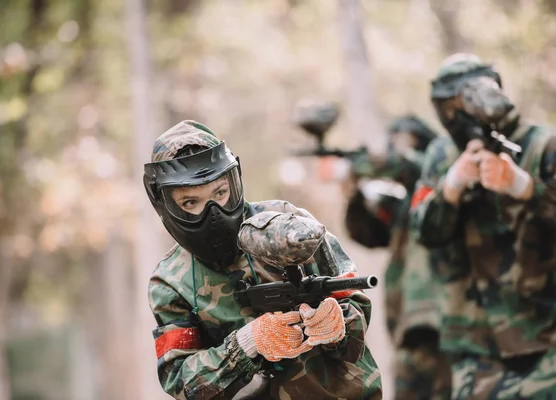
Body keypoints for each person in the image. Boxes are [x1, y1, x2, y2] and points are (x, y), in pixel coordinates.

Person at [143, 120, 382, 400]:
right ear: (165, 204)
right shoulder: (171, 281)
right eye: (190, 203)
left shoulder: (289, 225)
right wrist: (247, 342)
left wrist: (337, 323)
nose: (213, 212)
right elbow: (180, 381)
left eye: (220, 193)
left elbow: (354, 303)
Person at [411, 53, 556, 399]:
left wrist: (524, 187)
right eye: (445, 107)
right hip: (472, 342)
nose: (454, 116)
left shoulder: (542, 145)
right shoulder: (441, 155)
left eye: (460, 103)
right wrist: (450, 188)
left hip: (545, 333)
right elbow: (423, 230)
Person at [340, 115, 451, 400]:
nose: (395, 149)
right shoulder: (406, 205)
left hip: (446, 322)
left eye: (404, 142)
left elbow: (404, 164)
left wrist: (362, 163)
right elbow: (367, 232)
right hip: (409, 325)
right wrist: (354, 193)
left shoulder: (441, 181)